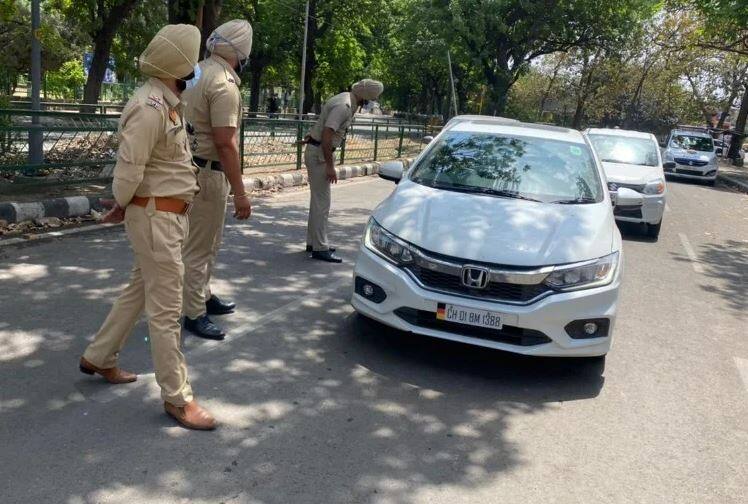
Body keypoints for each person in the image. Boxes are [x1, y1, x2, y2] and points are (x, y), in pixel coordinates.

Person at [78, 24, 216, 431]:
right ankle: (178, 398)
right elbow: (130, 166)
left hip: (164, 217)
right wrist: (123, 203)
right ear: (179, 65)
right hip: (156, 218)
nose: (195, 69)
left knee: (140, 290)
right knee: (167, 309)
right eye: (190, 62)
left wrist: (128, 203)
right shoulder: (149, 107)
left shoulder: (169, 104)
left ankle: (100, 356)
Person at [181, 20, 253, 341]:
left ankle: (204, 295)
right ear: (241, 52)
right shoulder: (224, 84)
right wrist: (240, 193)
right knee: (200, 245)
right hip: (209, 173)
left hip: (188, 165)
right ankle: (194, 313)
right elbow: (226, 143)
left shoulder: (195, 71)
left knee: (205, 240)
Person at [303, 79, 384, 263]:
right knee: (322, 203)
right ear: (365, 95)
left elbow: (323, 127)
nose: (373, 101)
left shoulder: (344, 98)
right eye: (373, 97)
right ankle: (320, 248)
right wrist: (330, 166)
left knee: (317, 202)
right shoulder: (345, 106)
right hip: (320, 156)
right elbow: (327, 135)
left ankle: (314, 242)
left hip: (316, 151)